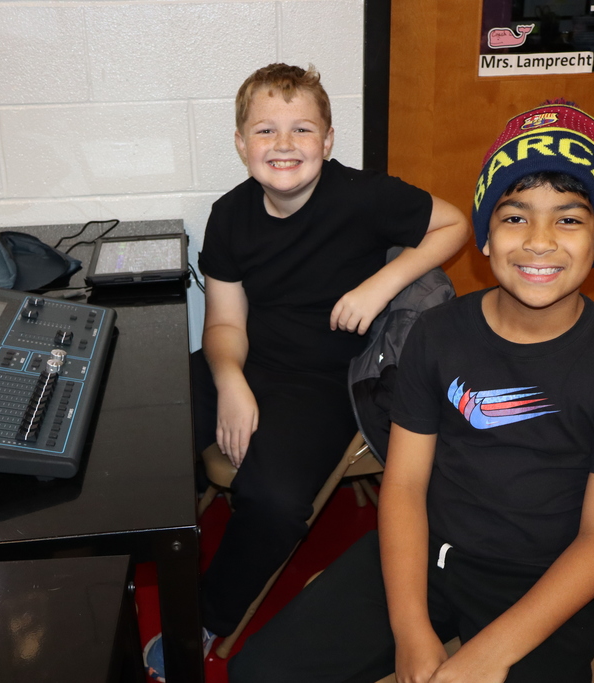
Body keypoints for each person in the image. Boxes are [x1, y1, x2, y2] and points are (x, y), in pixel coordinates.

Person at [228, 101, 594, 683]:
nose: (539, 242)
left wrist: (490, 653)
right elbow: (407, 485)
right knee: (259, 673)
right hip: (425, 556)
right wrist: (412, 629)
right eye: (514, 217)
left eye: (569, 219)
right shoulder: (438, 334)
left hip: (541, 582)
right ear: (485, 238)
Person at [142, 63, 470, 681]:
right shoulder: (230, 215)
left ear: (328, 139)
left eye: (302, 129)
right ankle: (120, 569)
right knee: (140, 433)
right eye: (266, 131)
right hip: (245, 360)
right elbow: (224, 325)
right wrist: (231, 381)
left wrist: (383, 283)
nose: (284, 145)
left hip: (323, 380)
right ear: (242, 144)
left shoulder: (363, 197)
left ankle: (207, 614)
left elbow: (457, 223)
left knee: (273, 499)